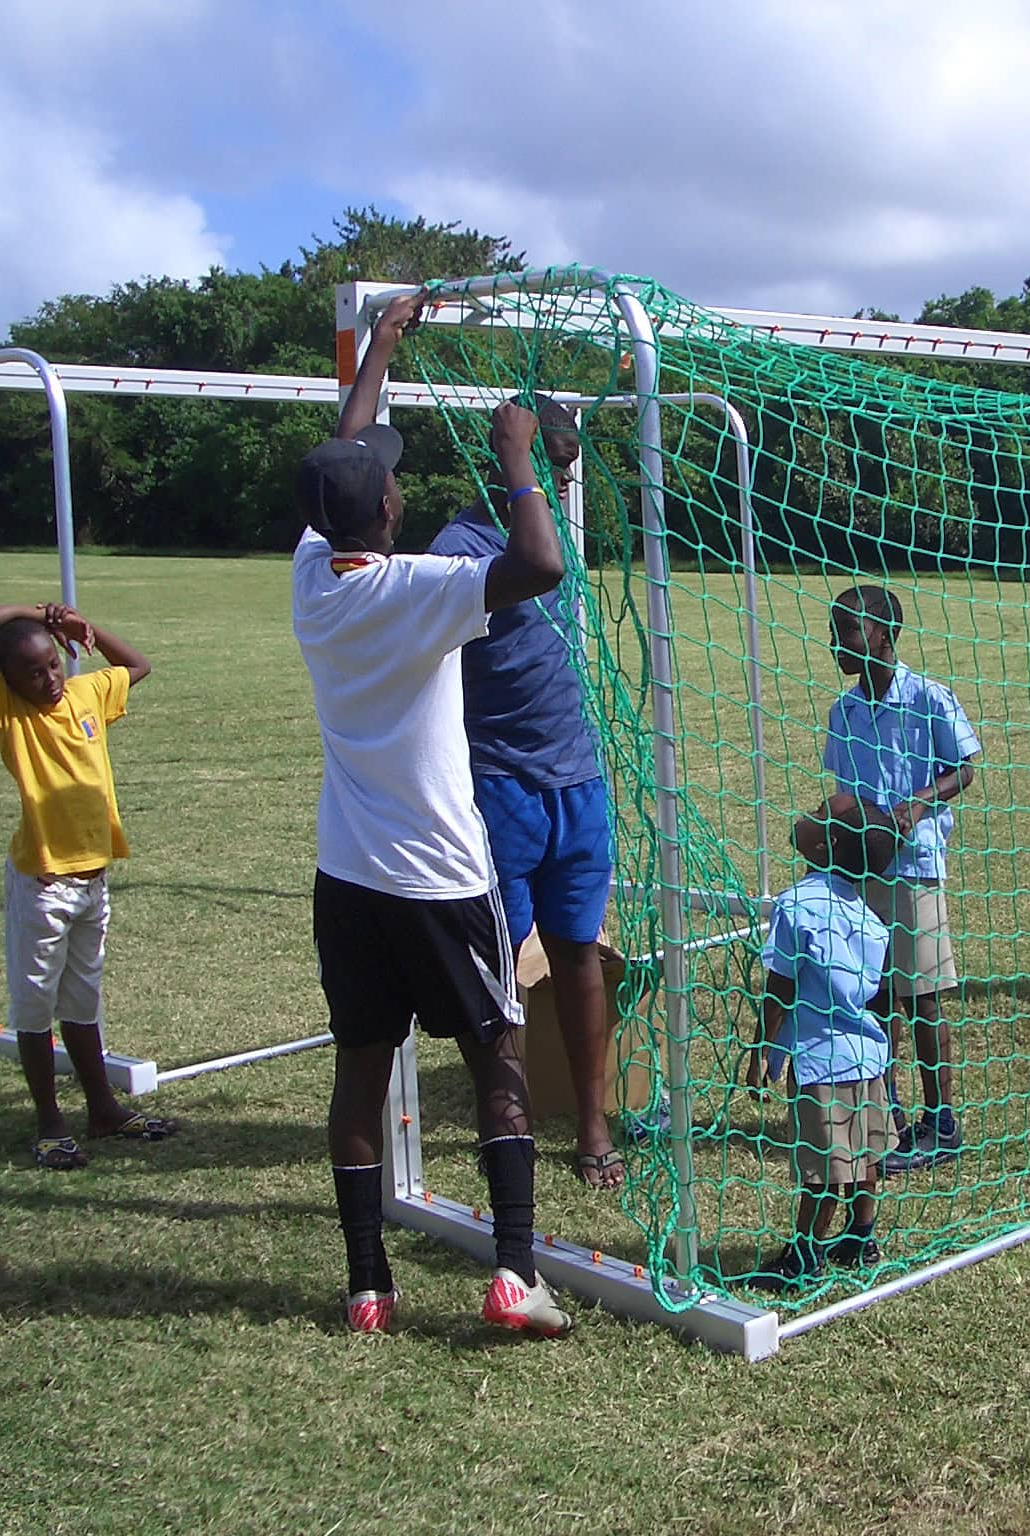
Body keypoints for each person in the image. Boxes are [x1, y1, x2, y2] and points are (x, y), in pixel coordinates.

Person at [293, 288, 571, 1338]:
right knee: (496, 1050)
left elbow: (346, 443)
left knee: (361, 1068)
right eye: (394, 484)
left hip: (347, 878)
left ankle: (367, 1288)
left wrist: (381, 344)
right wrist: (517, 461)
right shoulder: (416, 588)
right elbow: (538, 564)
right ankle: (511, 1275)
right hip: (443, 878)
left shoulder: (312, 575)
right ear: (389, 513)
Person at [417, 398, 622, 1191]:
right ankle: (509, 1126)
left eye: (566, 466)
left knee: (579, 954)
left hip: (578, 783)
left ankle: (593, 1122)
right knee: (498, 965)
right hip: (500, 786)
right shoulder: (459, 548)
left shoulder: (555, 527)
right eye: (547, 462)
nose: (560, 478)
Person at [0, 599, 172, 1170]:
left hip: (92, 881)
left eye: (55, 664)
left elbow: (138, 666)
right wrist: (37, 611)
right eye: (33, 673)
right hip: (44, 885)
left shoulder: (83, 695)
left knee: (82, 1001)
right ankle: (50, 1121)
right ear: (7, 681)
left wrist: (83, 629)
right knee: (36, 1007)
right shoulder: (11, 715)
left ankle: (103, 1109)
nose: (49, 679)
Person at [822, 585, 981, 1174]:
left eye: (849, 631)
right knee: (875, 997)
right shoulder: (844, 711)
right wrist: (838, 837)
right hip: (864, 870)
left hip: (915, 869)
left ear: (885, 635)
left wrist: (919, 803)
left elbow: (965, 766)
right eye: (834, 632)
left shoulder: (929, 699)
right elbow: (840, 791)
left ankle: (940, 1122)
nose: (838, 644)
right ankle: (885, 1117)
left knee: (924, 1000)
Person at [747, 792, 901, 1289]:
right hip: (869, 1057)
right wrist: (888, 1054)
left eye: (816, 813)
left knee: (824, 1173)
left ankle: (804, 1256)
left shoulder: (797, 905)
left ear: (827, 843)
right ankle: (862, 1236)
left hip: (820, 1064)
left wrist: (761, 1053)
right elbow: (886, 997)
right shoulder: (870, 918)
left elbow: (782, 987)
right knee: (866, 1157)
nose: (805, 816)